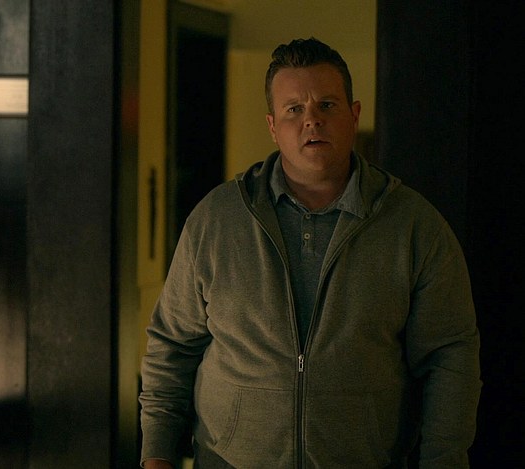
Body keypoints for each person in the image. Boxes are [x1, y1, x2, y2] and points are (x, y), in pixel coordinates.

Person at [138, 37, 481, 468]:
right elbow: (172, 346)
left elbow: (449, 357)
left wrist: (444, 459)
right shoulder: (216, 220)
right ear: (272, 126)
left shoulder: (414, 226)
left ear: (354, 115)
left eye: (327, 105)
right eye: (294, 109)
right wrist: (157, 456)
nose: (311, 120)